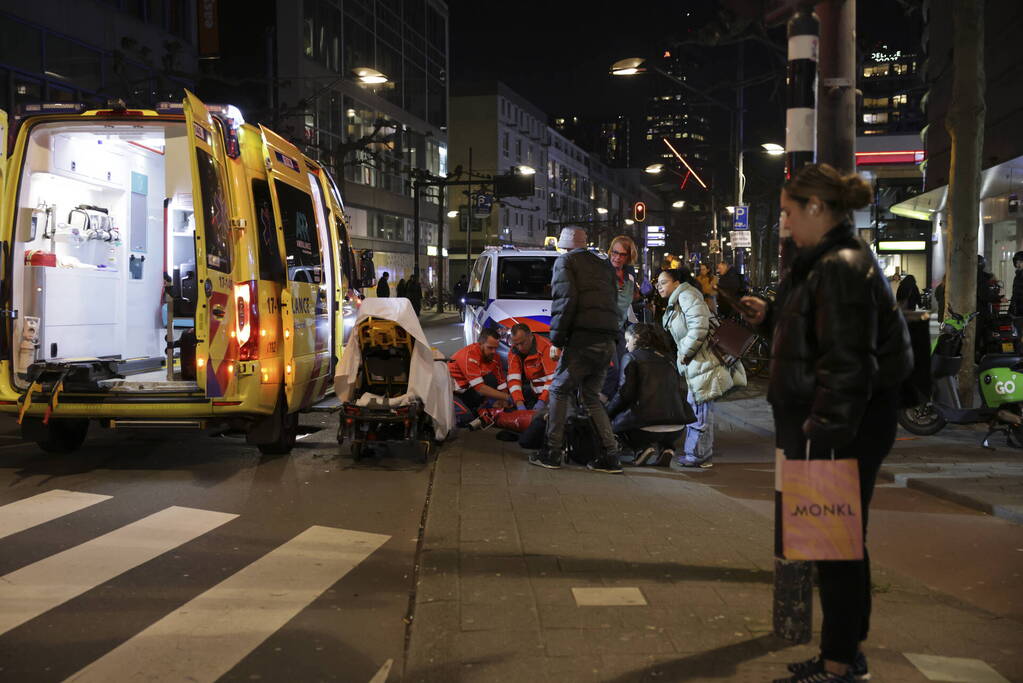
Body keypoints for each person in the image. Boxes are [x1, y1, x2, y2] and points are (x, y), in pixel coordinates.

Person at [739, 163, 911, 683]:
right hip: (838, 423)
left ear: (818, 208)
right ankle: (843, 653)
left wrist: (821, 438)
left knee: (833, 545)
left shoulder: (836, 266)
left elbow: (845, 362)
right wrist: (771, 317)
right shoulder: (831, 263)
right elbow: (827, 340)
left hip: (837, 428)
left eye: (790, 212)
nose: (786, 223)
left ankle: (838, 663)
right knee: (838, 542)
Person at [529, 226, 622, 473]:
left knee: (559, 390)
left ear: (564, 245)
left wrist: (556, 341)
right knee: (591, 397)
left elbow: (564, 301)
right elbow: (615, 301)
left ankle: (552, 451)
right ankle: (610, 455)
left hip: (583, 340)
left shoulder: (565, 262)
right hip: (607, 340)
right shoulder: (604, 265)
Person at [658, 267, 743, 470]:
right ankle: (698, 454)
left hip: (703, 362)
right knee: (698, 406)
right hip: (698, 362)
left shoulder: (686, 296)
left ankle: (699, 456)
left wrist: (685, 352)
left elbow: (699, 326)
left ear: (676, 283)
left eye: (663, 282)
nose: (658, 286)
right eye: (658, 283)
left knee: (699, 409)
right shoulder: (680, 299)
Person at [606, 323, 695, 466]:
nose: (626, 346)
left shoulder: (631, 358)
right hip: (677, 427)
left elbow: (625, 394)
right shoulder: (668, 359)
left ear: (637, 338)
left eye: (628, 341)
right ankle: (667, 449)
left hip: (645, 428)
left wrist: (607, 413)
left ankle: (642, 448)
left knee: (615, 420)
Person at [448, 328, 512, 426]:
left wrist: (504, 400)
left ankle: (481, 406)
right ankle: (477, 408)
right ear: (480, 344)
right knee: (466, 418)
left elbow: (501, 381)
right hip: (451, 391)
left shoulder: (495, 357)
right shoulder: (469, 355)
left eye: (496, 348)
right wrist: (507, 397)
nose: (494, 351)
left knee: (492, 379)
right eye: (490, 348)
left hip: (467, 387)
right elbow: (480, 388)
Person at [603, 235, 640, 398]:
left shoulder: (630, 274)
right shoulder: (601, 271)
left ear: (629, 256)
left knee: (623, 370)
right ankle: (601, 407)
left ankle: (612, 406)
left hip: (620, 329)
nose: (617, 257)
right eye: (614, 253)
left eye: (622, 254)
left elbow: (631, 297)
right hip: (603, 330)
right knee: (612, 370)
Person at [508, 323, 557, 410]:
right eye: (516, 344)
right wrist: (519, 403)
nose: (520, 348)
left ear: (530, 336)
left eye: (522, 343)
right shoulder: (513, 351)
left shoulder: (546, 347)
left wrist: (542, 401)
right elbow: (513, 379)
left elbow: (553, 379)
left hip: (554, 395)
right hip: (535, 393)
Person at [1010, 251, 1023, 315]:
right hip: (1017, 310)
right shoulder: (1017, 276)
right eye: (1017, 262)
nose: (1018, 264)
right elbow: (1014, 294)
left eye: (1020, 262)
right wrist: (1011, 309)